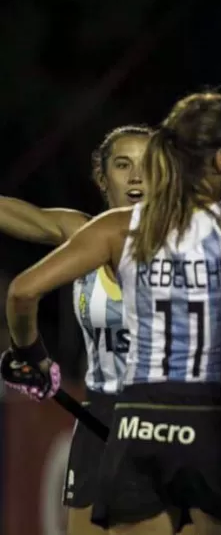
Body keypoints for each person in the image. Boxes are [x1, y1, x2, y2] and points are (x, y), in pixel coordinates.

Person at [0, 0, 221, 532]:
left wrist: (30, 354)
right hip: (215, 424)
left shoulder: (119, 228)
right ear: (219, 159)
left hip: (138, 426)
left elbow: (22, 291)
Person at [0, 125, 151, 535]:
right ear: (103, 180)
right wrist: (31, 355)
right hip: (99, 415)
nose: (137, 176)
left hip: (166, 416)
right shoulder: (81, 235)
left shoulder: (189, 245)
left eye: (148, 165)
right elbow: (13, 215)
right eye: (123, 165)